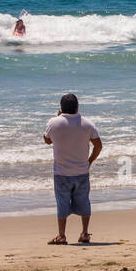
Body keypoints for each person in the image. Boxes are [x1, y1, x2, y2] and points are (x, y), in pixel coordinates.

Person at [43, 93, 102, 245]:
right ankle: (84, 233)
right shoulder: (88, 124)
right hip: (82, 171)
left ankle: (62, 235)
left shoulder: (54, 123)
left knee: (62, 203)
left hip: (61, 172)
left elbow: (47, 140)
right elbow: (98, 145)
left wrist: (57, 117)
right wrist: (89, 161)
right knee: (84, 201)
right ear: (77, 107)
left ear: (61, 108)